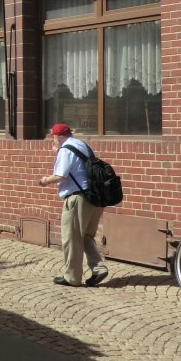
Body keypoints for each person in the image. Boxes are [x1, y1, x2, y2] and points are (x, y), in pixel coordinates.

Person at [39, 122, 108, 287]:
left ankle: (72, 277)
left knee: (71, 238)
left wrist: (45, 181)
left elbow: (61, 175)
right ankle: (98, 268)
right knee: (86, 237)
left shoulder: (65, 149)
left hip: (78, 199)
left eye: (54, 138)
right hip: (95, 197)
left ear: (58, 136)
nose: (53, 141)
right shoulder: (82, 145)